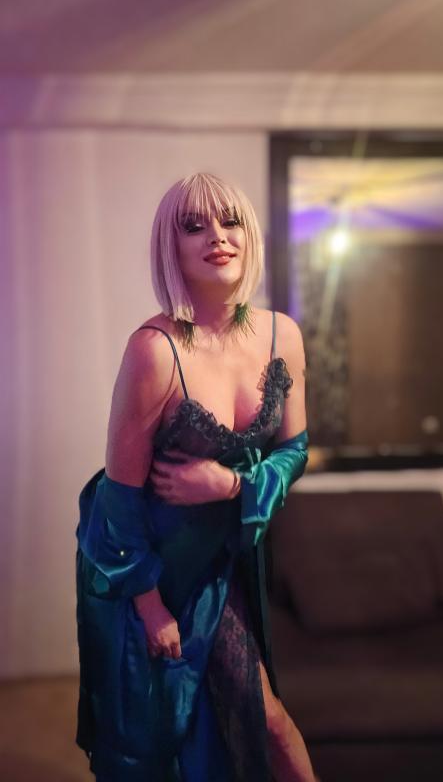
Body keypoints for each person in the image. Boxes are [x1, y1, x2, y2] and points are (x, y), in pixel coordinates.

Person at [75, 172, 315, 782]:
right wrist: (151, 605)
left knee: (264, 723)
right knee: (158, 741)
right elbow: (117, 501)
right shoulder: (153, 350)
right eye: (194, 226)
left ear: (249, 234)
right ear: (171, 246)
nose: (217, 236)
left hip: (225, 562)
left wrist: (232, 485)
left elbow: (296, 449)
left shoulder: (282, 334)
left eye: (230, 221)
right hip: (145, 567)